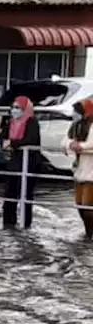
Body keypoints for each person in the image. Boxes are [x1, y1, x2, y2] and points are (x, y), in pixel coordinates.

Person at [0, 94, 40, 229]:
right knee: (9, 195)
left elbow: (32, 139)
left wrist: (12, 143)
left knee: (26, 195)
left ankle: (26, 225)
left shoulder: (32, 122)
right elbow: (1, 138)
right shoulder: (11, 122)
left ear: (25, 109)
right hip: (13, 163)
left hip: (29, 164)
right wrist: (4, 142)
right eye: (13, 107)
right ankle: (8, 224)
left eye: (18, 107)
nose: (14, 110)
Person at [66, 98, 93, 239]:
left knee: (87, 205)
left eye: (76, 111)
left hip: (91, 172)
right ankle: (88, 232)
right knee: (79, 204)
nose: (73, 114)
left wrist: (80, 146)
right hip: (80, 170)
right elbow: (65, 139)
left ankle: (90, 234)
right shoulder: (75, 126)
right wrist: (71, 144)